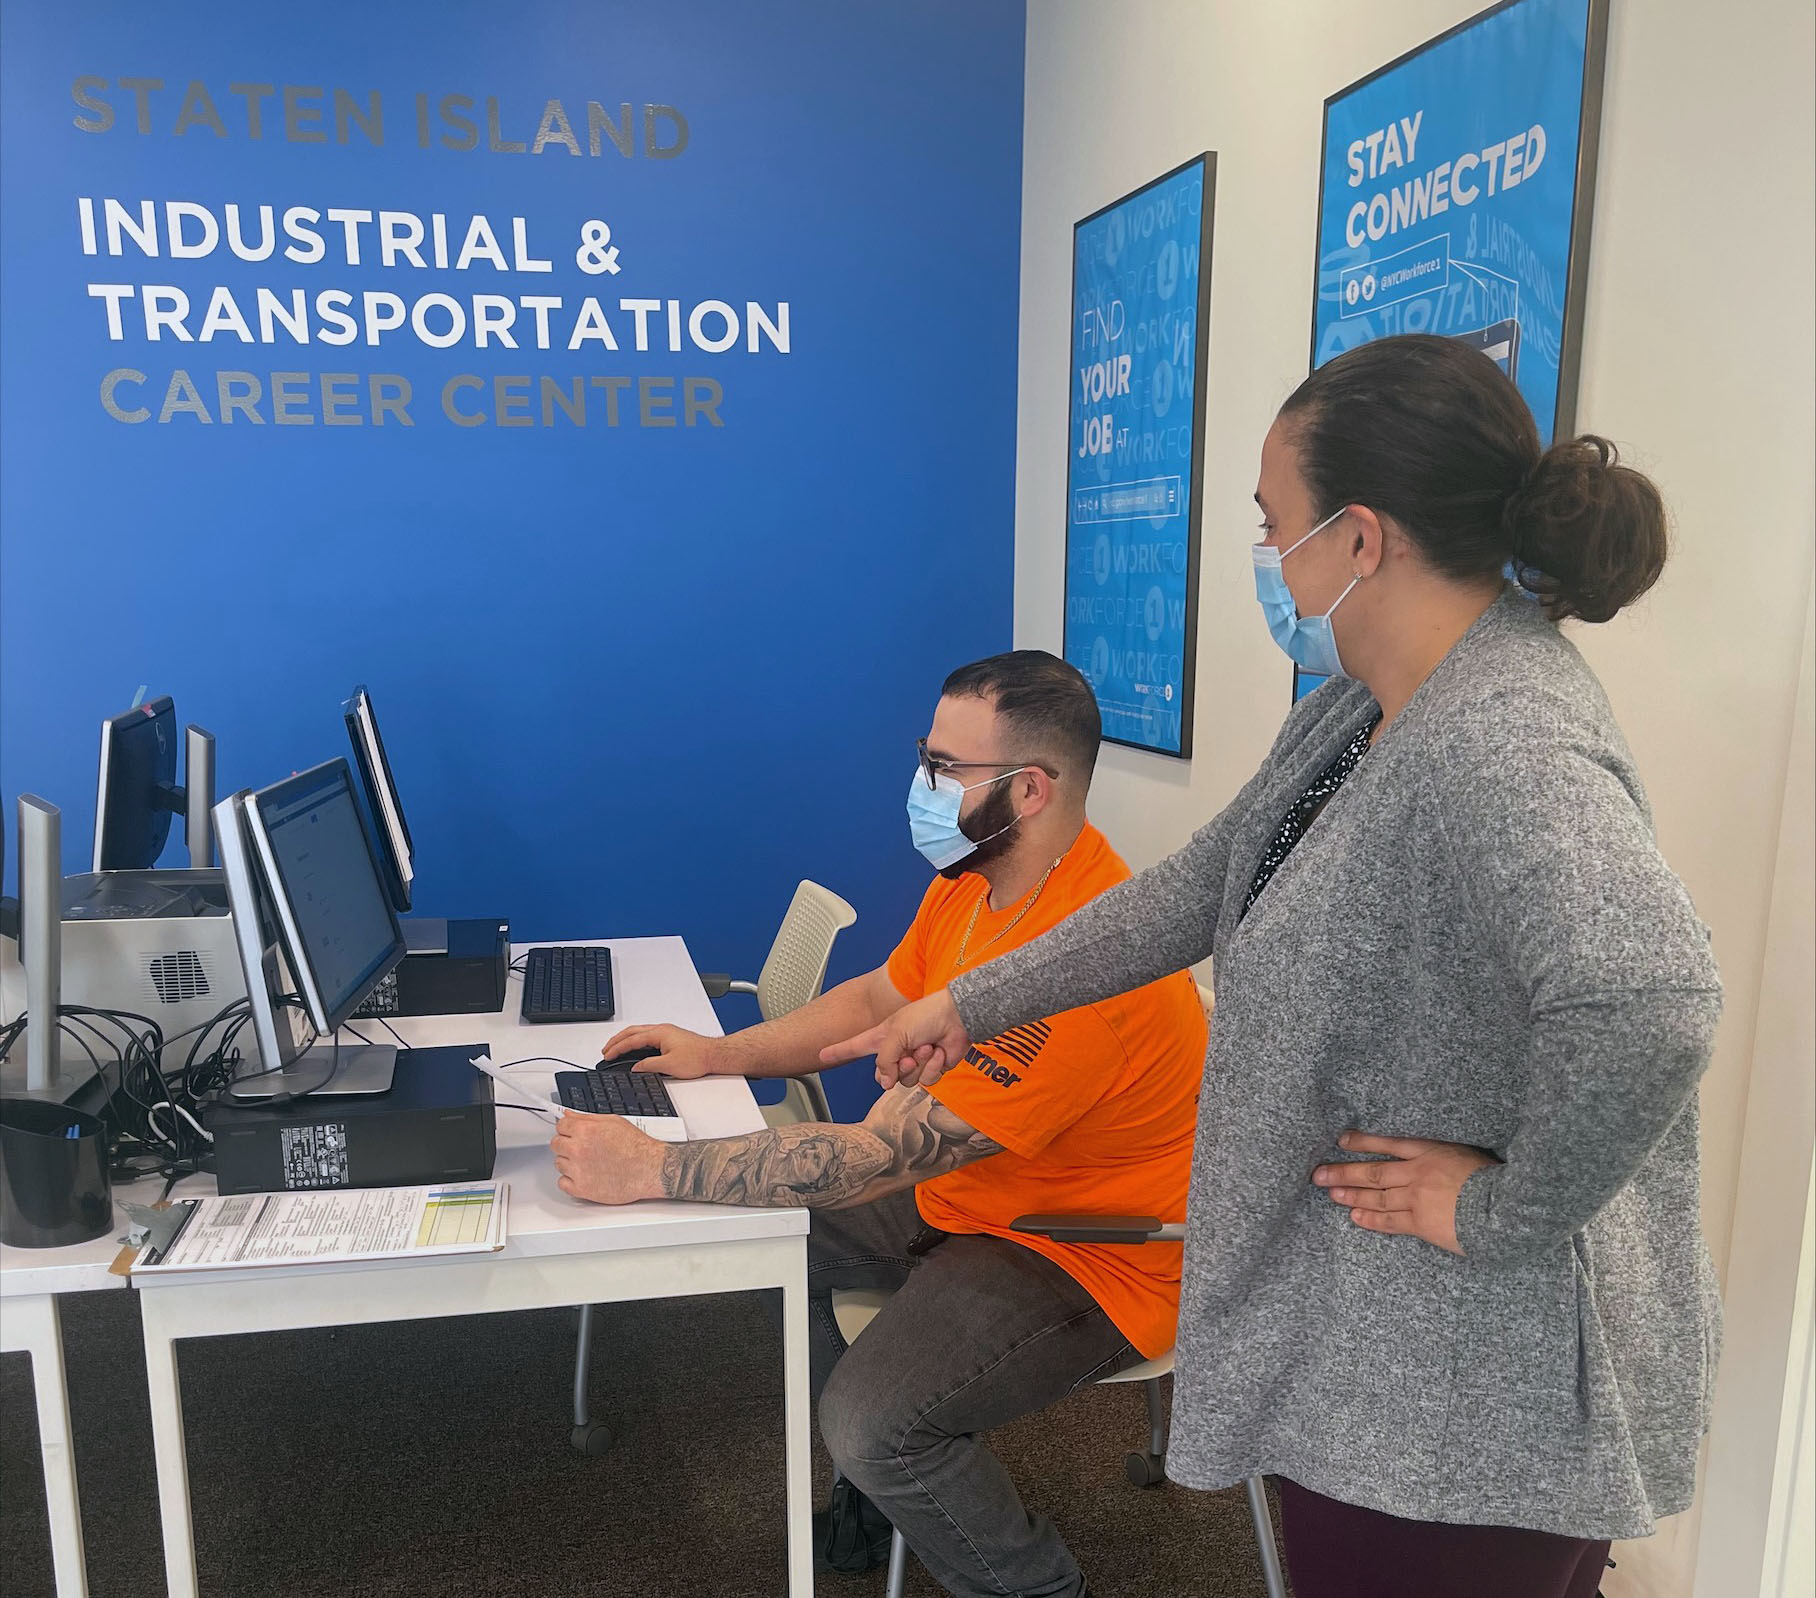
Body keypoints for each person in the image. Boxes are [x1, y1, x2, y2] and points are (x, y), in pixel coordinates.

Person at [827, 335, 1723, 1598]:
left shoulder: (1503, 735)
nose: (1267, 552)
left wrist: (1497, 1208)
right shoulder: (1364, 703)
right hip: (1365, 1330)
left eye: (1273, 520)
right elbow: (1203, 885)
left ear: (1359, 538)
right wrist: (972, 998)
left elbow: (1650, 999)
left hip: (1460, 1379)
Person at [549, 649, 1206, 1598]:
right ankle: (881, 1501)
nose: (921, 787)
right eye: (923, 757)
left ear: (1029, 789)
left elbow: (882, 1158)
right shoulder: (975, 882)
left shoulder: (1090, 957)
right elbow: (874, 995)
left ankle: (1034, 1583)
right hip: (976, 1191)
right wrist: (718, 1051)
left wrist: (658, 1167)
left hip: (1086, 1246)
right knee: (777, 1241)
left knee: (874, 1422)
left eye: (944, 769)